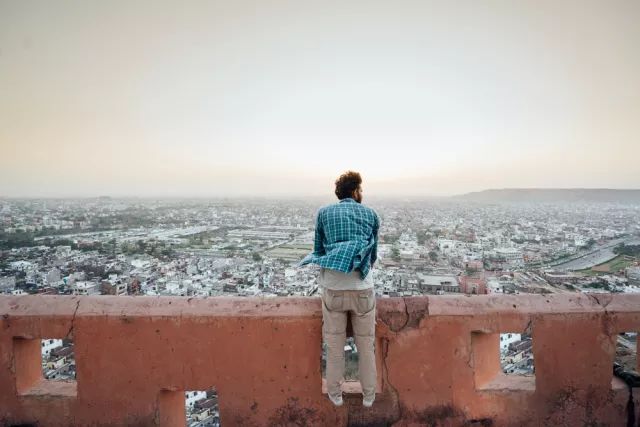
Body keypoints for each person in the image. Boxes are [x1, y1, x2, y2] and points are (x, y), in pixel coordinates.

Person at [299, 171, 380, 408]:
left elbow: (319, 250)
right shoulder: (371, 214)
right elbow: (372, 255)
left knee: (334, 347)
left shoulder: (324, 213)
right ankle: (369, 396)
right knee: (366, 346)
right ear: (355, 191)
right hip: (362, 288)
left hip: (333, 288)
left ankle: (335, 395)